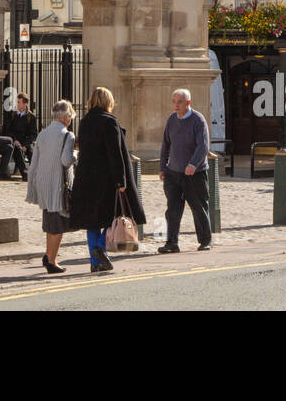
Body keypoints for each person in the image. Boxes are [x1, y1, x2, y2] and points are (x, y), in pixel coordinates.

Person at [70, 86, 145, 273]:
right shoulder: (109, 122)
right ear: (108, 102)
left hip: (87, 179)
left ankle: (95, 263)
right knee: (116, 216)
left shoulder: (85, 121)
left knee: (92, 222)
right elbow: (115, 154)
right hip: (107, 180)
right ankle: (100, 248)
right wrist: (121, 182)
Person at [158, 88, 212, 253]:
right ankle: (171, 243)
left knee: (198, 207)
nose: (176, 105)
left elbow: (203, 146)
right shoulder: (172, 120)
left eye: (180, 102)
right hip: (173, 173)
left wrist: (193, 164)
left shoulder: (198, 120)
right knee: (172, 209)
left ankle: (205, 241)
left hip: (194, 174)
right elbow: (165, 145)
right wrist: (162, 168)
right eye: (174, 102)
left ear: (188, 103)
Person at [25, 100, 76, 273]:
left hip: (43, 183)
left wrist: (31, 186)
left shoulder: (43, 133)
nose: (70, 120)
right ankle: (52, 262)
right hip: (58, 184)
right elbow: (66, 161)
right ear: (66, 117)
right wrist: (75, 155)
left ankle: (48, 255)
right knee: (58, 225)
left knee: (49, 221)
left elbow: (34, 162)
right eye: (70, 116)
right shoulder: (67, 136)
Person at [3, 92, 38, 162]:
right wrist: (14, 140)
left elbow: (33, 134)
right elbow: (6, 130)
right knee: (17, 150)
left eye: (19, 102)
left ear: (25, 104)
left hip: (25, 142)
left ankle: (33, 172)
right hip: (14, 141)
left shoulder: (31, 117)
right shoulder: (11, 114)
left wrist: (25, 145)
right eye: (16, 102)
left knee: (32, 153)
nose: (16, 104)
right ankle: (24, 171)